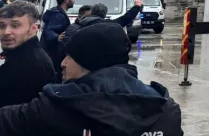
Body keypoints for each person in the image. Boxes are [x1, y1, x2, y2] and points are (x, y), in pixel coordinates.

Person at [0, 21, 184, 135]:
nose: (63, 63)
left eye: (70, 56)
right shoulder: (167, 109)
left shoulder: (57, 107)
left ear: (88, 61)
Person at [0, 1, 55, 107]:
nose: (6, 32)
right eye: (2, 26)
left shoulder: (32, 64)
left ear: (33, 29)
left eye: (15, 26)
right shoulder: (19, 56)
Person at [59, 0, 143, 51]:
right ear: (105, 14)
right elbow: (125, 18)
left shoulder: (76, 25)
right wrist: (137, 6)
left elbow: (65, 43)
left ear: (91, 12)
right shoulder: (109, 25)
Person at [42, 0, 74, 81]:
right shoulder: (58, 15)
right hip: (54, 53)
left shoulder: (58, 13)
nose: (74, 0)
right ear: (66, 0)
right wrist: (56, 37)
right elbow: (49, 31)